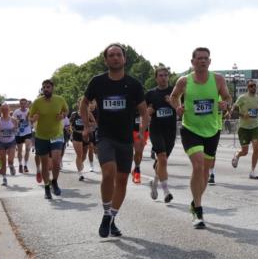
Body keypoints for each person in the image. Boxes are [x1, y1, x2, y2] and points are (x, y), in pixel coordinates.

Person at [82, 44, 148, 238]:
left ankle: (111, 218)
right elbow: (84, 103)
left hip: (126, 139)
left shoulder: (134, 84)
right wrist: (87, 126)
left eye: (119, 55)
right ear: (106, 60)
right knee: (108, 173)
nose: (115, 58)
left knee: (122, 181)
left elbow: (144, 112)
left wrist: (141, 135)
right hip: (105, 137)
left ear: (124, 59)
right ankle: (105, 213)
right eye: (111, 55)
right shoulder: (98, 82)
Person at [168, 47, 231, 229]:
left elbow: (227, 97)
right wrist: (177, 107)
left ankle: (195, 202)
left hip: (212, 130)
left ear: (210, 62)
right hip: (191, 129)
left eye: (206, 58)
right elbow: (173, 97)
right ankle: (198, 209)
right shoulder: (184, 81)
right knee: (198, 165)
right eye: (199, 58)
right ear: (193, 62)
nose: (203, 61)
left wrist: (225, 103)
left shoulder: (218, 79)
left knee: (205, 171)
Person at [29, 79, 69, 200]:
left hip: (56, 135)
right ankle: (47, 187)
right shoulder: (37, 102)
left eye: (48, 87)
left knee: (56, 161)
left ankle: (55, 181)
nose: (46, 89)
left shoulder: (60, 100)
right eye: (44, 87)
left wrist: (62, 115)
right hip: (41, 136)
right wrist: (33, 118)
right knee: (45, 164)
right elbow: (30, 118)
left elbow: (66, 111)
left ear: (52, 88)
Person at [145, 67, 179, 202]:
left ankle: (154, 184)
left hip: (170, 131)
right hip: (156, 130)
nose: (163, 77)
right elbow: (143, 112)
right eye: (160, 75)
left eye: (166, 75)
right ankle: (166, 192)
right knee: (162, 158)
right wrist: (149, 111)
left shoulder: (174, 92)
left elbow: (182, 110)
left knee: (161, 162)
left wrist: (172, 102)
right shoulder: (150, 94)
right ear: (156, 78)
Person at [231, 78, 258, 179]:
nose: (253, 87)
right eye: (251, 86)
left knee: (256, 147)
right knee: (245, 152)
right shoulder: (242, 98)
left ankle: (252, 171)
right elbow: (233, 112)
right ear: (247, 87)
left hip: (255, 126)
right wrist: (242, 114)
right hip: (243, 128)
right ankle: (237, 155)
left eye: (255, 86)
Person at [69, 98, 96, 181]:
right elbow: (70, 125)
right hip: (77, 136)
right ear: (78, 104)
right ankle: (80, 173)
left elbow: (95, 124)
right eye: (79, 103)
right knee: (79, 154)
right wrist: (74, 131)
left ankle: (80, 164)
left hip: (86, 136)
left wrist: (88, 125)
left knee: (84, 155)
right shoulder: (74, 114)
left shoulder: (88, 113)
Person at [12, 99, 34, 174]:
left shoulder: (29, 111)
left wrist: (30, 119)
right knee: (20, 150)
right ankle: (20, 164)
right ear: (20, 104)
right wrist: (17, 122)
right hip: (19, 133)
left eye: (25, 103)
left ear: (26, 104)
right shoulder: (16, 112)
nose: (23, 105)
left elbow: (32, 120)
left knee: (27, 149)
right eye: (22, 103)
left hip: (27, 132)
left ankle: (25, 165)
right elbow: (12, 121)